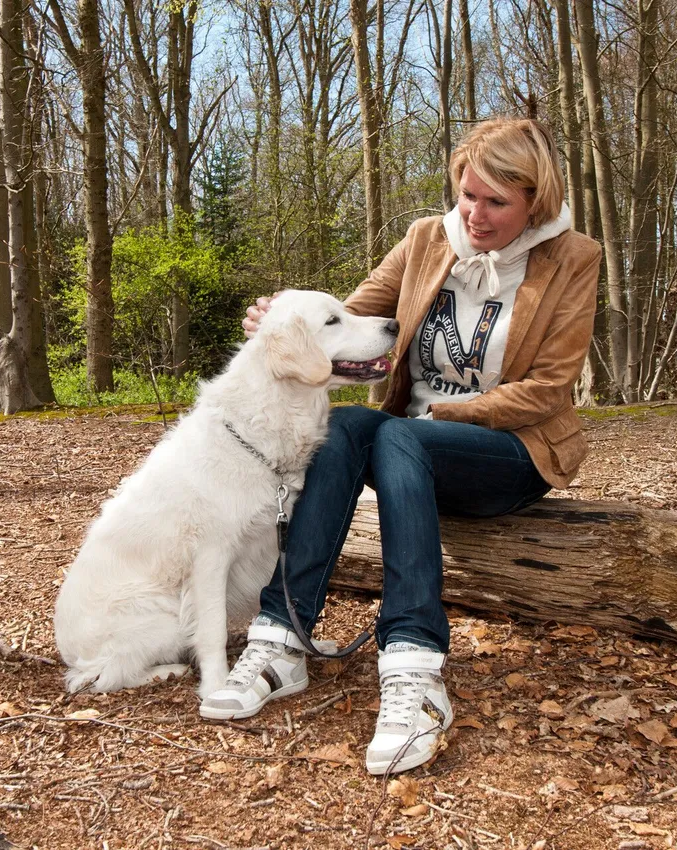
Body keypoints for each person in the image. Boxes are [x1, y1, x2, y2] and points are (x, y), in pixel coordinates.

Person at [199, 116, 603, 775]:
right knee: (352, 429)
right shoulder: (425, 241)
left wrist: (440, 410)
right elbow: (345, 324)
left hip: (509, 453)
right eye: (468, 194)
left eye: (497, 202)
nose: (475, 214)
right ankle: (281, 640)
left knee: (395, 436)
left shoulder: (572, 259)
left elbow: (551, 387)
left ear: (536, 200)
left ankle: (415, 669)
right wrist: (281, 324)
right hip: (405, 449)